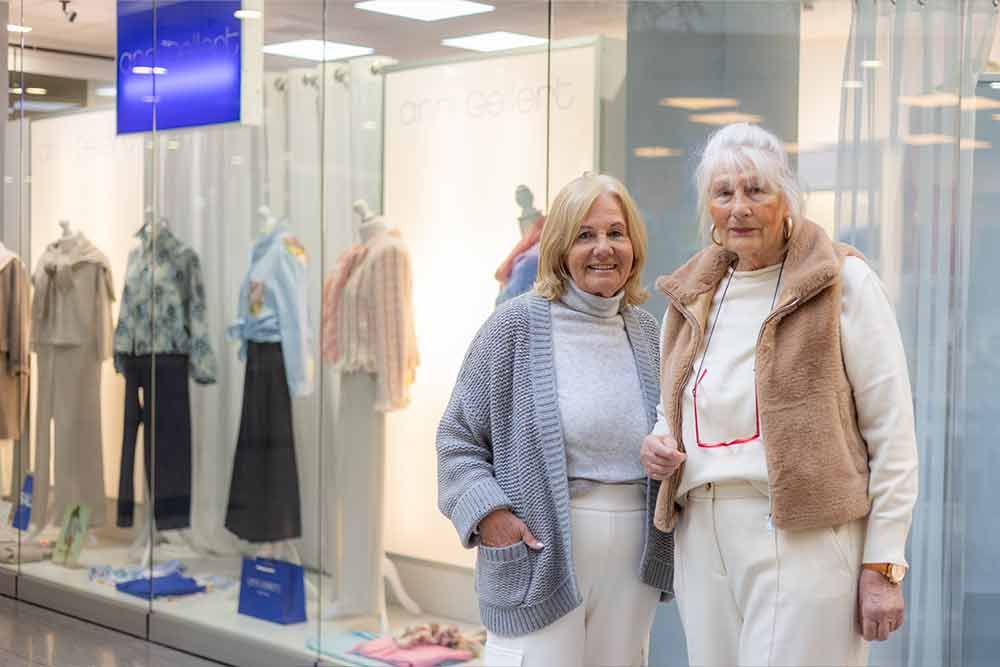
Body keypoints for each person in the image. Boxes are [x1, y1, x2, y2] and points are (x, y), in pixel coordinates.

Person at [640, 123, 919, 666]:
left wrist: (884, 564)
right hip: (702, 531)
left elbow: (893, 433)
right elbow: (674, 408)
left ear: (786, 198)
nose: (739, 207)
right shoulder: (692, 295)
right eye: (724, 194)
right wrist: (658, 443)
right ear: (708, 207)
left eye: (755, 190)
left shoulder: (842, 281)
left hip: (804, 533)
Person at [437, 173, 673, 667]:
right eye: (585, 235)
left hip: (634, 550)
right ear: (560, 248)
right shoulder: (515, 325)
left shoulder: (649, 332)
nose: (603, 248)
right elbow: (456, 439)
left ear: (634, 244)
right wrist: (490, 517)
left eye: (615, 233)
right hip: (541, 551)